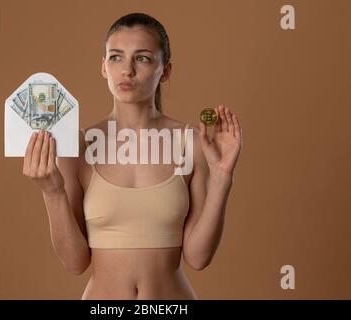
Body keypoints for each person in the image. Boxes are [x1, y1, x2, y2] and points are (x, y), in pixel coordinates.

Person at [23, 12, 243, 300]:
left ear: (165, 70)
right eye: (116, 57)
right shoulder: (78, 146)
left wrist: (223, 178)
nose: (126, 70)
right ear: (103, 67)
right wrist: (52, 192)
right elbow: (75, 263)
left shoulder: (190, 143)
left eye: (142, 58)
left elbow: (198, 257)